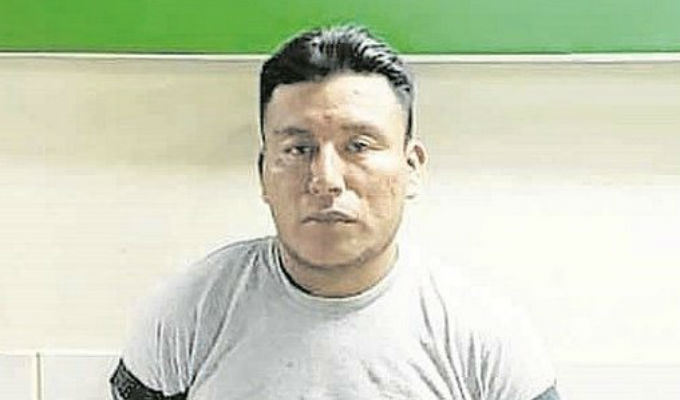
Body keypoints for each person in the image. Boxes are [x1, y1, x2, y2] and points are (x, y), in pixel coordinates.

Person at [110, 25, 560, 399]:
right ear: (263, 172)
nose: (325, 178)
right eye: (298, 148)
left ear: (411, 167)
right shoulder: (190, 311)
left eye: (358, 146)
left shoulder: (486, 337)